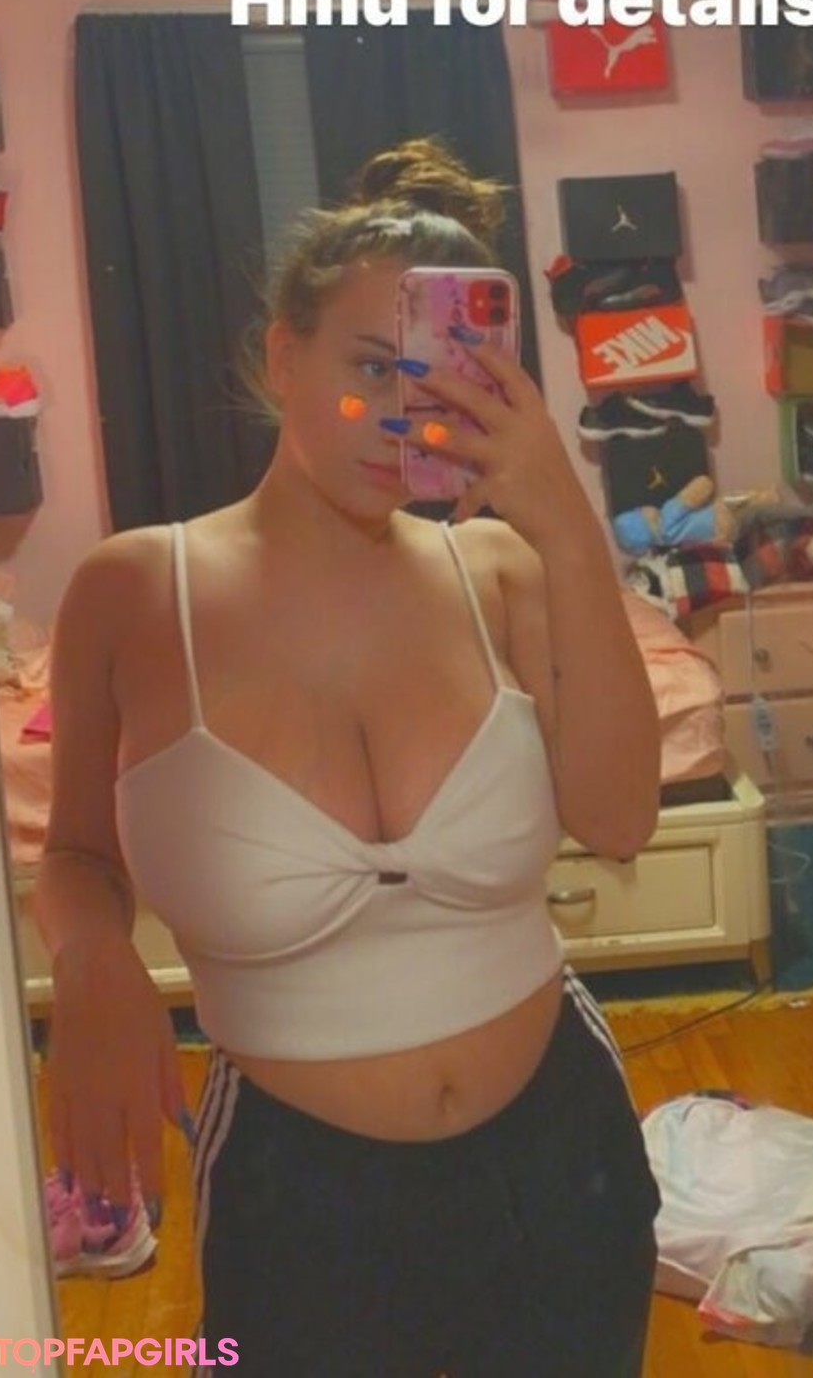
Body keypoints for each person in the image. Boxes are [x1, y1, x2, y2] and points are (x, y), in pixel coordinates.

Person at [35, 138, 664, 1378]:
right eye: (370, 366)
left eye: (445, 376)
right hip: (297, 1195)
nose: (403, 411)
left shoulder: (503, 571)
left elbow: (623, 815)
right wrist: (92, 952)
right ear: (283, 354)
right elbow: (75, 858)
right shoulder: (136, 589)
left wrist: (566, 526)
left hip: (563, 1156)